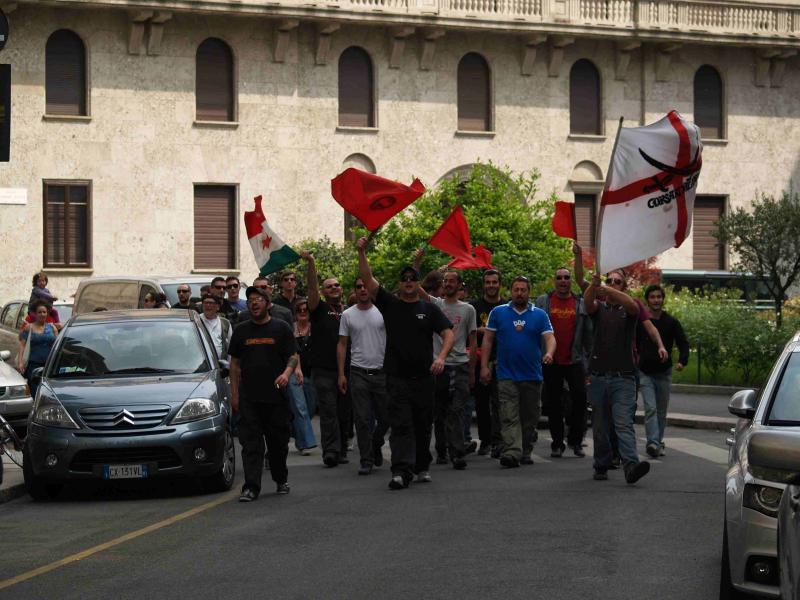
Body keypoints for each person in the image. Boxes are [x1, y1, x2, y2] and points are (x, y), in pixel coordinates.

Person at [357, 237, 453, 489]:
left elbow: (448, 333)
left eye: (413, 279)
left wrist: (441, 357)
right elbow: (368, 279)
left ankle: (422, 466)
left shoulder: (429, 309)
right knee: (400, 425)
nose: (409, 282)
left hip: (423, 378)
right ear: (400, 284)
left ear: (418, 283)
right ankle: (400, 471)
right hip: (396, 378)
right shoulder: (390, 305)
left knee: (423, 425)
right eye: (405, 279)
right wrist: (362, 251)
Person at [229, 286, 298, 502]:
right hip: (249, 397)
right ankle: (251, 487)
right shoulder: (241, 331)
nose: (254, 303)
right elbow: (234, 365)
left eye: (259, 299)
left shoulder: (281, 328)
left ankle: (280, 478)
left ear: (268, 304)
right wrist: (235, 395)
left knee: (277, 444)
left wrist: (287, 373)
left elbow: (293, 356)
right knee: (251, 444)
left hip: (276, 397)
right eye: (250, 300)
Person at [480, 276, 555, 469]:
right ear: (510, 291)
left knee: (529, 418)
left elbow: (550, 338)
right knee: (508, 415)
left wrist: (549, 353)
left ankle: (526, 449)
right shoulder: (498, 313)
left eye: (523, 290)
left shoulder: (539, 315)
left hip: (532, 375)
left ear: (529, 292)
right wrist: (484, 366)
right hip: (506, 375)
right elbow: (487, 340)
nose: (519, 293)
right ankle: (511, 452)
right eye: (516, 289)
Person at [584, 271, 651, 485]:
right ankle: (601, 464)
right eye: (609, 280)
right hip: (599, 376)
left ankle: (631, 465)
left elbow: (632, 305)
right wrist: (593, 286)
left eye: (617, 282)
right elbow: (587, 304)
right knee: (601, 426)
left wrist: (607, 288)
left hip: (624, 378)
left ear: (623, 287)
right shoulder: (600, 308)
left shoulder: (630, 309)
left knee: (623, 423)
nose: (612, 284)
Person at [535, 249, 593, 458]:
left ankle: (576, 441)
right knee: (553, 405)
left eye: (567, 278)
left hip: (574, 360)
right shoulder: (543, 302)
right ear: (554, 281)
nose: (563, 281)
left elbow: (587, 335)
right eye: (559, 278)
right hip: (550, 361)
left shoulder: (579, 303)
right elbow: (535, 329)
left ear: (571, 281)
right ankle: (557, 443)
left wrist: (590, 359)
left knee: (580, 401)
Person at [419, 269, 477, 470]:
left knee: (456, 410)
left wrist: (472, 370)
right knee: (440, 411)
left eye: (452, 281)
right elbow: (417, 289)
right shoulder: (436, 305)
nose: (448, 284)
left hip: (460, 364)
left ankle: (457, 453)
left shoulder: (468, 309)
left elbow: (473, 339)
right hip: (439, 365)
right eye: (445, 281)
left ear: (460, 285)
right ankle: (442, 450)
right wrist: (417, 264)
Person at [301, 251, 350, 467]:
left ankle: (342, 449)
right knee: (329, 411)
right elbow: (311, 287)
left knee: (343, 413)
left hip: (347, 370)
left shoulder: (349, 311)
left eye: (337, 285)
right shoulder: (318, 308)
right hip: (323, 370)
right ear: (323, 291)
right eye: (329, 286)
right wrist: (311, 262)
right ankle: (330, 451)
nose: (334, 288)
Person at [337, 277, 389, 476]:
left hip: (382, 372)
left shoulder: (383, 311)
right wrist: (341, 373)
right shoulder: (348, 314)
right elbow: (342, 344)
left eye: (366, 286)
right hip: (358, 371)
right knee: (361, 418)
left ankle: (376, 442)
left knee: (386, 417)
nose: (362, 289)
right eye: (358, 287)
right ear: (355, 291)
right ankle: (366, 459)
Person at [637, 284, 689, 458]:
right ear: (647, 300)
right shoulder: (642, 322)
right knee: (650, 408)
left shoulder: (671, 322)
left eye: (659, 297)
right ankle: (652, 443)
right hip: (645, 372)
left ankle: (657, 442)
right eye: (652, 297)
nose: (656, 300)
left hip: (664, 372)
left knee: (661, 410)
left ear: (663, 299)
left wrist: (682, 361)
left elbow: (683, 343)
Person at [470, 268, 505, 457]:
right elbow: (468, 330)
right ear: (484, 285)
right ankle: (485, 440)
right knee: (482, 403)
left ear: (500, 284)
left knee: (501, 403)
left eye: (494, 282)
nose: (491, 285)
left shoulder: (507, 307)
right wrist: (481, 329)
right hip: (479, 360)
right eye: (488, 282)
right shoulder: (473, 307)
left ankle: (499, 441)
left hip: (502, 361)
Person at [286, 298, 317, 456]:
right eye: (300, 310)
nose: (303, 312)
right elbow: (292, 351)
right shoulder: (290, 329)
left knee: (310, 408)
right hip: (294, 372)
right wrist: (296, 368)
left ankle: (297, 434)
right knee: (300, 407)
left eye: (306, 310)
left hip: (312, 373)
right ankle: (306, 444)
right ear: (295, 313)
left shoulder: (316, 328)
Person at [17, 299, 59, 399]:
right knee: (36, 392)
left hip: (49, 365)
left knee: (48, 392)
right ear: (35, 314)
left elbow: (56, 346)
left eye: (44, 312)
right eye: (39, 312)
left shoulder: (52, 328)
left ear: (47, 313)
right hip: (33, 365)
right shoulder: (29, 327)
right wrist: (20, 362)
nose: (42, 314)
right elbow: (22, 345)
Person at [198, 294, 232, 360]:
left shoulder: (225, 323)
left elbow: (230, 346)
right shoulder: (196, 320)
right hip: (201, 362)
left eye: (211, 303)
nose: (208, 305)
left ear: (218, 307)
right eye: (205, 303)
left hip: (220, 364)